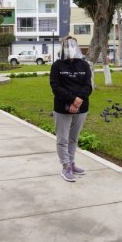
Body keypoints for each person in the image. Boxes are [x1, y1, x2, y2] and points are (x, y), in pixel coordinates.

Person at [50, 37, 92, 182]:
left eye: (73, 45)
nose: (70, 48)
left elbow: (88, 85)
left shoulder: (84, 65)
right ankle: (65, 167)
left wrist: (79, 100)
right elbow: (56, 87)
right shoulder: (57, 66)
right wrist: (72, 100)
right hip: (62, 108)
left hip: (81, 108)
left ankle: (72, 163)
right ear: (62, 48)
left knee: (73, 139)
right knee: (63, 139)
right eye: (67, 46)